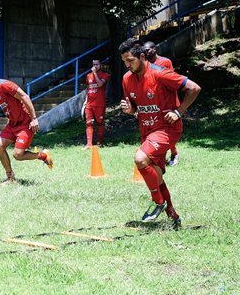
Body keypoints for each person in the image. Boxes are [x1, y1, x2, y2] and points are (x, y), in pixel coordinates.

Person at [119, 39, 200, 229]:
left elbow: (194, 88)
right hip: (147, 130)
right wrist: (130, 110)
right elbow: (136, 107)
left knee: (140, 159)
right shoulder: (126, 79)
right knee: (156, 175)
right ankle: (173, 216)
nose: (127, 65)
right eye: (124, 62)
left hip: (167, 129)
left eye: (130, 60)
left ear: (141, 56)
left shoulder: (160, 72)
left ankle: (157, 202)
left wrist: (178, 111)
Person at [0, 69, 53, 184]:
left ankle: (43, 155)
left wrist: (34, 119)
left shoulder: (5, 85)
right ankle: (10, 178)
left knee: (18, 155)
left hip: (25, 123)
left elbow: (24, 96)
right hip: (12, 124)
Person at [143, 41, 178, 166]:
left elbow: (172, 81)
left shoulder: (165, 62)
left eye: (148, 50)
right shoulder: (145, 65)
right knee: (156, 129)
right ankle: (158, 156)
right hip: (153, 103)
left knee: (168, 129)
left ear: (155, 49)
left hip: (167, 102)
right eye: (144, 50)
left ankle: (174, 154)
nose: (146, 52)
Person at [83, 59, 109, 149]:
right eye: (93, 64)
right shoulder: (88, 76)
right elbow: (88, 88)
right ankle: (89, 144)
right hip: (89, 104)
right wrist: (85, 101)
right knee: (88, 123)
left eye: (97, 64)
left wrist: (95, 74)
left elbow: (100, 84)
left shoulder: (105, 75)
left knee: (100, 123)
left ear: (100, 65)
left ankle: (99, 143)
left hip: (100, 104)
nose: (95, 66)